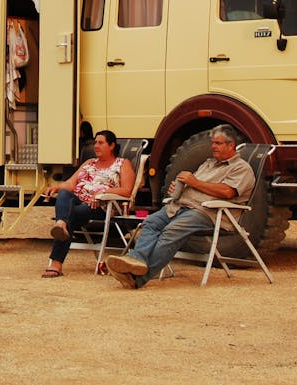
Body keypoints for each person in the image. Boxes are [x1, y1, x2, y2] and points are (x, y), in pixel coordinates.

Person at [105, 124, 253, 289]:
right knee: (151, 222)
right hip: (181, 206)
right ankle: (137, 259)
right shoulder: (208, 163)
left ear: (231, 145)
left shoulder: (241, 168)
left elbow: (227, 192)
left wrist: (194, 182)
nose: (213, 146)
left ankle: (137, 277)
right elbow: (195, 185)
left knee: (171, 232)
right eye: (213, 143)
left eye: (218, 143)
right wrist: (180, 188)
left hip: (208, 211)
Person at [38, 129, 136, 277]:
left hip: (101, 205)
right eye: (95, 142)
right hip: (78, 200)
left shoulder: (122, 164)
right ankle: (61, 224)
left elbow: (127, 190)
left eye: (101, 143)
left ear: (111, 146)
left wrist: (102, 194)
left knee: (70, 215)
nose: (96, 146)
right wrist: (56, 187)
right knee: (64, 194)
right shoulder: (89, 163)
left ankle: (56, 261)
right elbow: (71, 183)